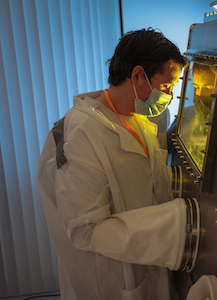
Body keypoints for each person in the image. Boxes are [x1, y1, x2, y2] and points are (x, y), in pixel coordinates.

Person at [37, 28, 188, 300]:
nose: (170, 95)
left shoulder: (138, 116)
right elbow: (85, 230)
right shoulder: (82, 133)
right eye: (167, 86)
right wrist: (174, 233)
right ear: (139, 75)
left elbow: (146, 182)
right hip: (114, 279)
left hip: (150, 265)